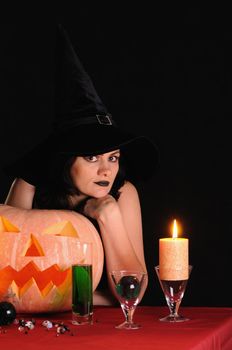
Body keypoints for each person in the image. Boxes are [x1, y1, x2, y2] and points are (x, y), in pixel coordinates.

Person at [4, 25, 159, 305]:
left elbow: (131, 291)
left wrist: (109, 217)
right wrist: (74, 298)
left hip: (105, 331)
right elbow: (9, 279)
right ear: (66, 159)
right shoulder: (29, 187)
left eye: (113, 157)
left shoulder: (124, 194)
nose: (106, 170)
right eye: (92, 157)